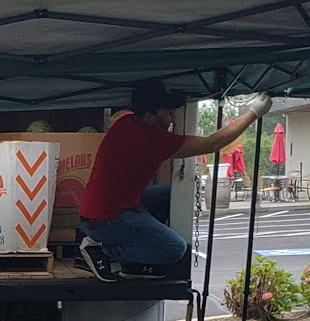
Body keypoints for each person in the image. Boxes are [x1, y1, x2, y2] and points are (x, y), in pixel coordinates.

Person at [78, 80, 272, 272]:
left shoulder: (124, 121)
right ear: (148, 117)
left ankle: (134, 250)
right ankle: (104, 252)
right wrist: (253, 113)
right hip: (108, 220)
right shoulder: (153, 141)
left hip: (100, 210)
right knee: (174, 248)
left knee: (175, 193)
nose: (172, 118)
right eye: (168, 112)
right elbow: (212, 143)